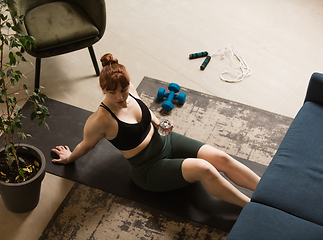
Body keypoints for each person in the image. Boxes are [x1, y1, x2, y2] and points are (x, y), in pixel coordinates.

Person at [52, 53, 260, 208]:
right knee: (205, 169)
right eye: (112, 92)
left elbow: (146, 108)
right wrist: (70, 158)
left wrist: (158, 122)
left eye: (123, 90)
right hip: (148, 167)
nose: (120, 97)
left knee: (221, 157)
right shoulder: (99, 120)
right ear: (103, 90)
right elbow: (86, 145)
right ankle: (250, 207)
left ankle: (267, 189)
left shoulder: (130, 89)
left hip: (166, 141)